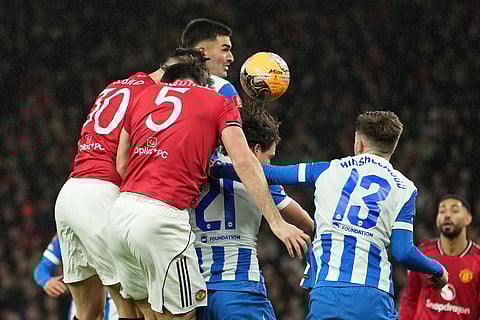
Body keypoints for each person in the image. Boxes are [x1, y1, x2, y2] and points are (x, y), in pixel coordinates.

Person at [108, 50, 310, 320]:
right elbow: (246, 163)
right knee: (181, 316)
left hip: (121, 215)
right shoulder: (216, 103)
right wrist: (277, 222)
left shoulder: (143, 98)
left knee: (138, 312)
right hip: (224, 275)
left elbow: (121, 165)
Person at [210, 110, 449, 319]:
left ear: (359, 143)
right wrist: (437, 269)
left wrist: (215, 166)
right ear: (393, 146)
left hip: (326, 294)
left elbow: (268, 174)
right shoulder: (405, 188)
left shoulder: (328, 170)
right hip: (372, 295)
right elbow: (403, 252)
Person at [54, 48, 184, 320]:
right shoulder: (154, 97)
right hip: (102, 195)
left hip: (71, 192)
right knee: (136, 306)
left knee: (87, 311)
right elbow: (126, 163)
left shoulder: (115, 87)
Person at [192, 103, 314, 320]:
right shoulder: (260, 180)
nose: (269, 163)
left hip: (194, 290)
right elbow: (306, 222)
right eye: (270, 156)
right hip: (240, 288)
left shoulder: (197, 165)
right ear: (256, 149)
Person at [400, 194, 480, 319]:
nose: (447, 215)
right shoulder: (422, 253)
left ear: (468, 219)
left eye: (455, 210)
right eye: (442, 211)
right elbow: (409, 300)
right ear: (437, 219)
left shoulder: (477, 259)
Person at [33, 235, 118, 320]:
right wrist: (47, 282)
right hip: (82, 305)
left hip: (114, 302)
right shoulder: (66, 232)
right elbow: (41, 269)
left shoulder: (114, 227)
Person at [181, 18, 242, 108]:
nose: (231, 58)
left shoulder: (159, 87)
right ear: (201, 53)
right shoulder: (221, 88)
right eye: (225, 50)